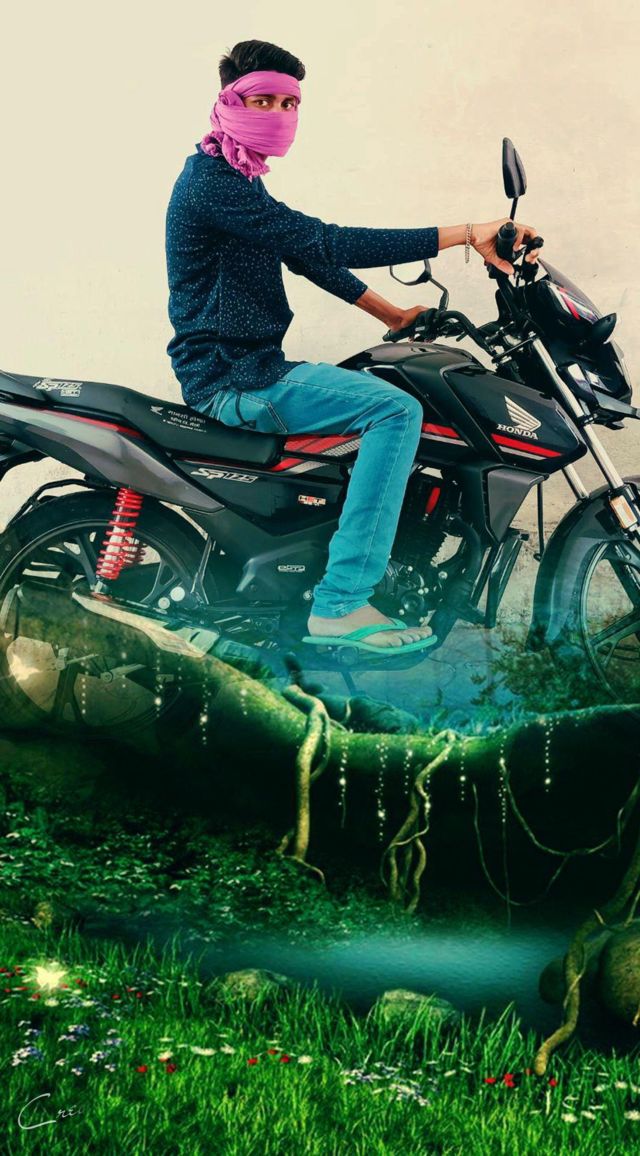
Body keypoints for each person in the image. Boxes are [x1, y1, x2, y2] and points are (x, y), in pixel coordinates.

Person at [164, 39, 541, 656]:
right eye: (263, 100)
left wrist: (392, 314)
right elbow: (328, 242)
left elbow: (306, 256)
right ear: (229, 102)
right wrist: (467, 233)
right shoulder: (212, 183)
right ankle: (341, 602)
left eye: (290, 103)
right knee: (395, 410)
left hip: (249, 367)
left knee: (394, 396)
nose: (278, 114)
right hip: (236, 377)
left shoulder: (236, 181)